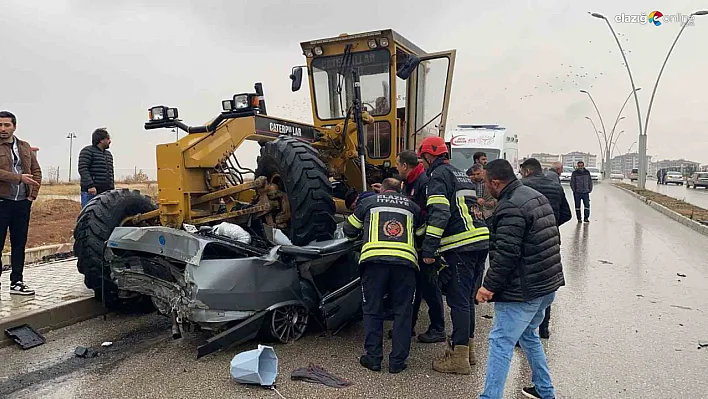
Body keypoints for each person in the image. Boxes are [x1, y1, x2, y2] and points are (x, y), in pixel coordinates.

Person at [476, 159, 564, 399]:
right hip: (547, 285)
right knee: (528, 335)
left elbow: (506, 254)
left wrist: (488, 286)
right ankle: (545, 391)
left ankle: (490, 396)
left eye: (485, 182)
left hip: (524, 289)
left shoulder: (511, 206)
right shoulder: (532, 195)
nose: (484, 186)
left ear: (495, 182)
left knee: (500, 342)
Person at [417, 136, 490, 374]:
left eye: (423, 159)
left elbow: (439, 213)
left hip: (461, 246)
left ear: (428, 156)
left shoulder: (437, 176)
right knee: (467, 300)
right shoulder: (459, 173)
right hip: (479, 241)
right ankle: (468, 351)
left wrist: (429, 249)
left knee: (458, 301)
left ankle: (458, 359)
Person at [343, 178, 424, 374]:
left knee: (372, 310)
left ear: (383, 190)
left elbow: (349, 230)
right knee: (403, 313)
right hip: (405, 265)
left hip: (374, 264)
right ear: (400, 191)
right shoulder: (412, 207)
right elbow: (421, 234)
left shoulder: (368, 203)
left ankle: (373, 359)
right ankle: (397, 362)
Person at [395, 150, 446, 344]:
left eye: (398, 164)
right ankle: (408, 326)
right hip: (415, 245)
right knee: (413, 287)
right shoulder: (409, 183)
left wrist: (428, 247)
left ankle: (438, 328)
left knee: (429, 287)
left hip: (425, 246)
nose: (397, 168)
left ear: (405, 166)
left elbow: (429, 215)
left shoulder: (424, 183)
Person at [520, 158, 571, 339]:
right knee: (547, 282)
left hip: (528, 240)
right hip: (551, 238)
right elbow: (567, 214)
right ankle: (544, 328)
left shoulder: (522, 186)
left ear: (526, 171)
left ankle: (524, 330)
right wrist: (551, 224)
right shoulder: (555, 186)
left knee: (527, 283)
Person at [0, 111, 42, 296]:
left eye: (6, 125)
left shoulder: (24, 147)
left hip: (22, 204)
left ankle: (17, 282)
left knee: (19, 244)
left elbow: (36, 171)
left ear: (14, 126)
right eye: (0, 125)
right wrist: (18, 178)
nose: (2, 129)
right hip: (2, 202)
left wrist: (31, 196)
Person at [78, 128, 115, 207]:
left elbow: (111, 173)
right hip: (91, 193)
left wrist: (112, 188)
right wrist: (90, 186)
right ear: (101, 140)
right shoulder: (87, 151)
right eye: (108, 139)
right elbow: (83, 169)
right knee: (89, 216)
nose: (110, 141)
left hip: (106, 192)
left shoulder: (108, 154)